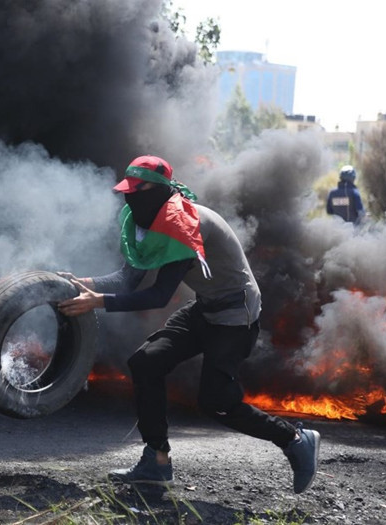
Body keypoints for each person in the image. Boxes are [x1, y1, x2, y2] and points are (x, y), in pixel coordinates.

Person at [57, 155, 321, 494]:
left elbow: (159, 295)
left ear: (160, 190)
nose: (130, 197)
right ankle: (157, 461)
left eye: (139, 190)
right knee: (146, 362)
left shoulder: (183, 223)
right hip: (207, 308)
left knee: (217, 402)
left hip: (234, 316)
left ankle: (296, 438)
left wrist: (97, 302)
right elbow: (127, 279)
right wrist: (83, 282)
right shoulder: (148, 217)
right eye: (128, 190)